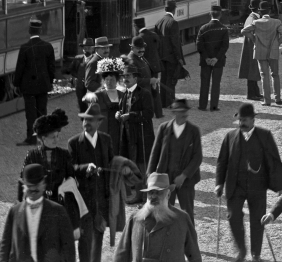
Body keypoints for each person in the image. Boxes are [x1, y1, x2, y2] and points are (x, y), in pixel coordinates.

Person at [214, 102, 282, 262]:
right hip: (235, 186)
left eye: (245, 120)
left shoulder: (264, 136)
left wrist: (279, 183)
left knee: (257, 220)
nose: (242, 123)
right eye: (240, 120)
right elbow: (222, 161)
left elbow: (274, 160)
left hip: (257, 187)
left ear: (253, 120)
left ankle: (256, 254)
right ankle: (241, 250)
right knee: (233, 216)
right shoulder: (230, 137)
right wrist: (219, 183)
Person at [17, 109, 81, 237]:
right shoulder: (32, 156)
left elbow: (72, 178)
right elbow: (22, 181)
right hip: (37, 203)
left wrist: (68, 185)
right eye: (53, 137)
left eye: (57, 136)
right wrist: (20, 205)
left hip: (59, 204)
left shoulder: (64, 155)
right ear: (42, 138)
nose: (56, 140)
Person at [114, 172, 201, 262]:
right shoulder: (135, 218)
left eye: (159, 192)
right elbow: (122, 253)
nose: (154, 196)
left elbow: (194, 255)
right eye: (150, 192)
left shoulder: (182, 218)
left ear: (168, 194)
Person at [0, 163, 75, 262]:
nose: (33, 189)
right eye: (30, 185)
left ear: (44, 184)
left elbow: (69, 249)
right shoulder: (14, 212)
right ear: (24, 186)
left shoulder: (58, 211)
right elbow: (5, 247)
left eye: (37, 185)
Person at [68, 102, 113, 262]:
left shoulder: (106, 140)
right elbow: (71, 167)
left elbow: (112, 162)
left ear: (99, 122)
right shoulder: (74, 143)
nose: (86, 123)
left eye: (90, 120)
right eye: (84, 119)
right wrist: (86, 168)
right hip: (83, 202)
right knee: (85, 241)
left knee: (98, 238)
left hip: (101, 200)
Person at [147, 99, 203, 224]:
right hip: (165, 178)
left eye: (186, 111)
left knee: (187, 213)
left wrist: (184, 176)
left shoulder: (193, 131)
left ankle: (190, 241)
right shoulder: (164, 128)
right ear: (174, 113)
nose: (184, 114)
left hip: (186, 181)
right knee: (164, 211)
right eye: (180, 111)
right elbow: (155, 152)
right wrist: (150, 174)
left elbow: (197, 157)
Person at [13, 17, 56, 147]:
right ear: (40, 31)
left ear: (29, 31)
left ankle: (32, 138)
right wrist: (50, 81)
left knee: (31, 113)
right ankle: (43, 137)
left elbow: (19, 68)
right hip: (43, 86)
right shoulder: (48, 47)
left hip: (29, 87)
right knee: (42, 111)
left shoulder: (24, 48)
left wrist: (16, 84)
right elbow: (51, 68)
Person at [117, 63, 155, 201]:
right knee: (133, 166)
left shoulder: (144, 93)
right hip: (128, 135)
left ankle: (146, 197)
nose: (125, 79)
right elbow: (123, 110)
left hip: (142, 135)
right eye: (123, 76)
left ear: (135, 78)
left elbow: (149, 113)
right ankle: (138, 195)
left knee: (143, 165)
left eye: (128, 76)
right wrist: (119, 113)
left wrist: (130, 115)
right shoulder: (124, 94)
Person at [247, 1, 282, 106]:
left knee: (264, 76)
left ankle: (267, 100)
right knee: (275, 74)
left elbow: (244, 31)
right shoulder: (276, 22)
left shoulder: (257, 22)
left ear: (260, 11)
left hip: (260, 51)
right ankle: (278, 98)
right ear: (270, 10)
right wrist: (277, 43)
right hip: (273, 51)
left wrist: (254, 39)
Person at [193, 4, 229, 111]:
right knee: (216, 84)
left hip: (205, 61)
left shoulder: (203, 28)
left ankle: (202, 105)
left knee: (204, 83)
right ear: (220, 15)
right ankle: (214, 106)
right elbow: (225, 46)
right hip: (218, 61)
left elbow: (199, 45)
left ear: (210, 14)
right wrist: (216, 58)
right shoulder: (223, 29)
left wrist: (206, 58)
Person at [87, 57, 126, 151]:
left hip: (118, 131)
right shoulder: (98, 95)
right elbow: (90, 115)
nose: (109, 82)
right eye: (107, 79)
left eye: (112, 79)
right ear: (103, 80)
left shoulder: (123, 95)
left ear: (117, 80)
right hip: (103, 129)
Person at [156, 0, 185, 111]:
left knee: (163, 78)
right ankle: (169, 101)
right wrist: (179, 58)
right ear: (174, 9)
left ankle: (163, 101)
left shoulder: (159, 22)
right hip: (171, 57)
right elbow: (175, 43)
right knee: (171, 79)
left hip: (161, 56)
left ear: (165, 9)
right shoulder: (173, 23)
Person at [240, 0, 264, 101]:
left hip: (250, 47)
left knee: (253, 71)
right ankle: (251, 94)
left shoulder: (251, 17)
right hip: (251, 48)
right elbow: (247, 32)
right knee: (252, 71)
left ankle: (256, 92)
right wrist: (255, 39)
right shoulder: (254, 19)